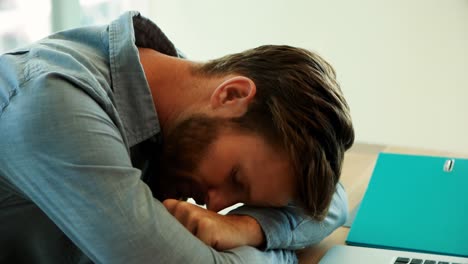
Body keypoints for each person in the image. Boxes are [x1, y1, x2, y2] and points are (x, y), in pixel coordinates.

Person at [0, 11, 354, 264]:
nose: (215, 206)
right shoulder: (54, 102)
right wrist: (281, 255)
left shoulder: (181, 99)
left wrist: (247, 228)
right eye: (235, 178)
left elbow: (333, 202)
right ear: (231, 95)